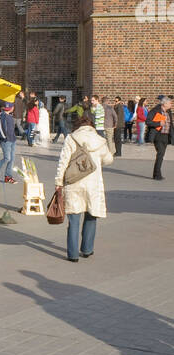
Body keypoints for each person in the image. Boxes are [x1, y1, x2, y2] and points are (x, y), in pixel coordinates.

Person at [53, 110, 114, 261]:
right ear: (92, 126)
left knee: (73, 219)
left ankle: (73, 254)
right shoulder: (100, 140)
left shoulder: (71, 139)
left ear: (77, 126)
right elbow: (108, 160)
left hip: (74, 182)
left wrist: (58, 182)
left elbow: (63, 162)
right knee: (91, 215)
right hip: (93, 183)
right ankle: (87, 249)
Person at [145, 96, 173, 180]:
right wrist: (158, 123)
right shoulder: (155, 111)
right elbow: (148, 122)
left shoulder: (168, 112)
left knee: (161, 155)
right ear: (164, 104)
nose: (171, 104)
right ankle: (157, 175)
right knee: (160, 153)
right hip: (158, 135)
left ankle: (157, 174)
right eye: (170, 103)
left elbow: (170, 124)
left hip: (166, 136)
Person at [0, 100, 17, 184]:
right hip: (5, 140)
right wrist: (4, 137)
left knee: (11, 159)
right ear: (11, 108)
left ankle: (8, 176)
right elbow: (0, 128)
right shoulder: (1, 115)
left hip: (12, 139)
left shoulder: (10, 116)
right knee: (7, 158)